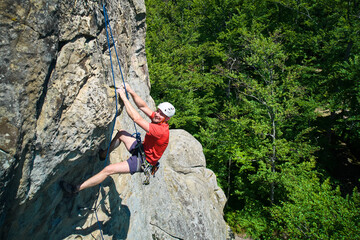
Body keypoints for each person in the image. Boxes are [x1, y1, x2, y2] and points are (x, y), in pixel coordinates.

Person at [60, 83, 175, 194]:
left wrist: (124, 97)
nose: (157, 114)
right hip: (142, 150)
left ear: (167, 119)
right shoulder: (158, 119)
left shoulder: (160, 130)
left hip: (143, 161)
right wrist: (131, 91)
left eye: (161, 114)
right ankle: (103, 155)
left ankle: (76, 189)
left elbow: (137, 119)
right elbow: (142, 106)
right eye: (158, 111)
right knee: (122, 133)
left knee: (108, 170)